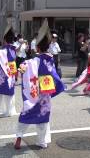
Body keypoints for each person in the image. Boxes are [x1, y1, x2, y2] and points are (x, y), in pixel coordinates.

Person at [14, 19, 65, 149]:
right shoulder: (50, 60)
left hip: (35, 90)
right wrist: (59, 85)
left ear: (37, 47)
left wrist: (22, 68)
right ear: (48, 47)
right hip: (45, 93)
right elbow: (54, 75)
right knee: (43, 116)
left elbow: (27, 65)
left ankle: (19, 137)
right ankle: (42, 141)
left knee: (27, 113)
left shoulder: (36, 60)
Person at [0, 24, 18, 117]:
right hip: (11, 73)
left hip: (2, 73)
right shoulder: (14, 49)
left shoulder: (3, 50)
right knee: (9, 93)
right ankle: (10, 110)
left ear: (5, 39)